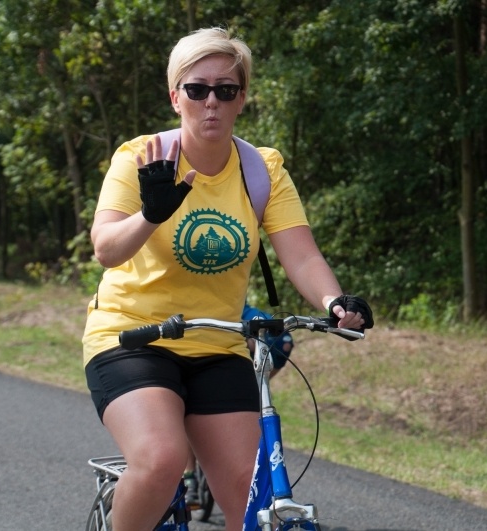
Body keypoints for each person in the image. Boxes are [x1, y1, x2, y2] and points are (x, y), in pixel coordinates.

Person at [82, 27, 373, 531]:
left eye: (226, 89)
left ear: (242, 98)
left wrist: (334, 301)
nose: (211, 102)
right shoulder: (142, 159)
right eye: (197, 89)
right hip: (133, 337)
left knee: (249, 490)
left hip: (217, 342)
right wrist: (151, 213)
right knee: (161, 461)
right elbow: (106, 249)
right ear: (176, 97)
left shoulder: (263, 170)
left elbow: (301, 257)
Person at [183, 303, 295, 508]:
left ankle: (255, 389)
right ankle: (189, 475)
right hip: (197, 329)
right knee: (186, 407)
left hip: (233, 308)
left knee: (282, 340)